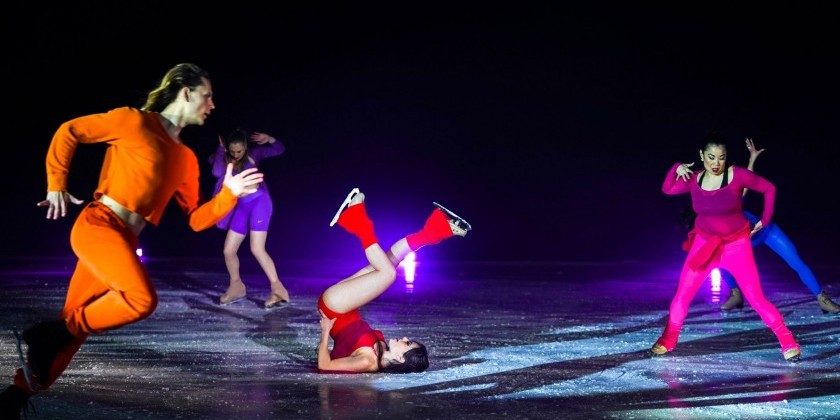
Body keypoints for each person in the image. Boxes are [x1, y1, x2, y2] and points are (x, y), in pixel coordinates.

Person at [0, 63, 264, 417]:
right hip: (98, 226)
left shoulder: (186, 159)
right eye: (208, 95)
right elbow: (70, 130)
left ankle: (14, 397)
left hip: (122, 240)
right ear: (186, 92)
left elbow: (196, 220)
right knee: (139, 299)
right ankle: (54, 332)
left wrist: (229, 194)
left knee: (74, 327)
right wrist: (56, 184)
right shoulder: (136, 122)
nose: (212, 104)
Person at [650, 131, 801, 362]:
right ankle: (669, 339)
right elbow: (668, 188)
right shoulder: (694, 178)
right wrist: (676, 167)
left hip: (736, 245)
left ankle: (788, 341)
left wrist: (765, 220)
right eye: (711, 157)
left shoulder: (737, 175)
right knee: (682, 295)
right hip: (705, 244)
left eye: (721, 157)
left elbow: (769, 189)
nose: (716, 163)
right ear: (701, 155)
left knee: (755, 297)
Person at [318, 188, 471, 373]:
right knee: (391, 261)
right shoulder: (381, 348)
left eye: (407, 343)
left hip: (335, 308)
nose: (405, 337)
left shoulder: (369, 362)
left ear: (400, 358)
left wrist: (325, 331)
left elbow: (325, 366)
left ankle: (356, 218)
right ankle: (437, 230)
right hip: (346, 306)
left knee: (388, 274)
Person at [716, 139, 840, 314]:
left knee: (796, 261)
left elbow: (746, 181)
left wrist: (752, 159)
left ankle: (822, 298)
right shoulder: (715, 222)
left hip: (766, 231)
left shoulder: (733, 202)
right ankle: (736, 293)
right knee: (716, 258)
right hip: (746, 242)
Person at [210, 128, 290, 308]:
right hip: (242, 208)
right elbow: (216, 172)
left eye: (239, 151)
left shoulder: (255, 153)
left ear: (245, 147)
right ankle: (236, 286)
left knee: (256, 248)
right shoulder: (226, 159)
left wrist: (270, 137)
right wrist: (221, 150)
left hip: (259, 204)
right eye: (233, 151)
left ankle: (278, 290)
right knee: (228, 250)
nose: (236, 154)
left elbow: (280, 149)